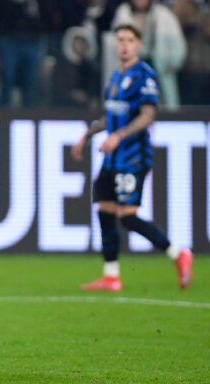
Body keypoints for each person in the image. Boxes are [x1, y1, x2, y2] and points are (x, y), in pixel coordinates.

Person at [71, 24, 193, 292]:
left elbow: (148, 115)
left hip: (133, 157)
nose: (124, 45)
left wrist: (118, 137)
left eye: (130, 40)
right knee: (104, 210)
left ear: (139, 45)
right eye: (120, 40)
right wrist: (88, 135)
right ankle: (111, 276)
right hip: (111, 160)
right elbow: (112, 116)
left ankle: (178, 253)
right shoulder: (115, 77)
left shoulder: (144, 76)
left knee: (127, 216)